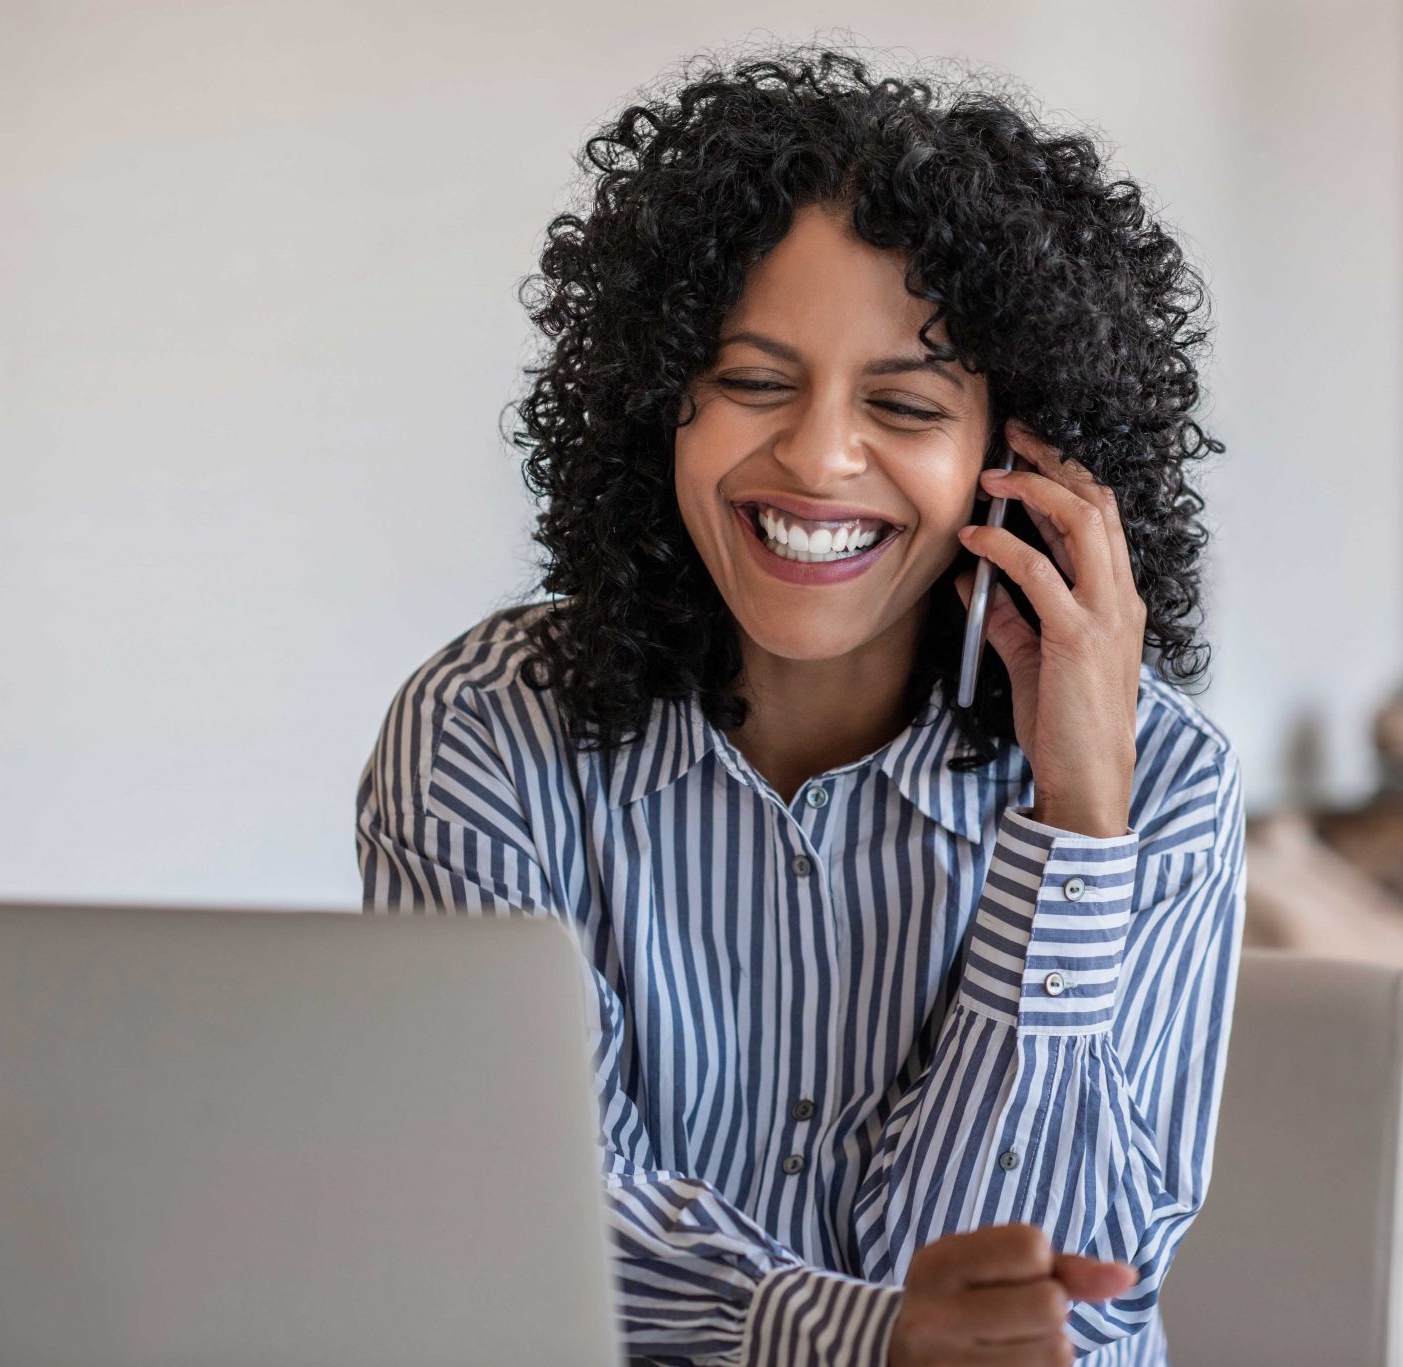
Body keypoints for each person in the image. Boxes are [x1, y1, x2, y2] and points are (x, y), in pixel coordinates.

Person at [355, 43, 1245, 1367]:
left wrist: (1076, 827)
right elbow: (518, 1223)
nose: (822, 456)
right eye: (754, 381)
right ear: (659, 402)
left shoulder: (1158, 780)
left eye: (903, 401)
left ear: (1017, 462)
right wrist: (865, 1336)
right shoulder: (488, 740)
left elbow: (1051, 1312)